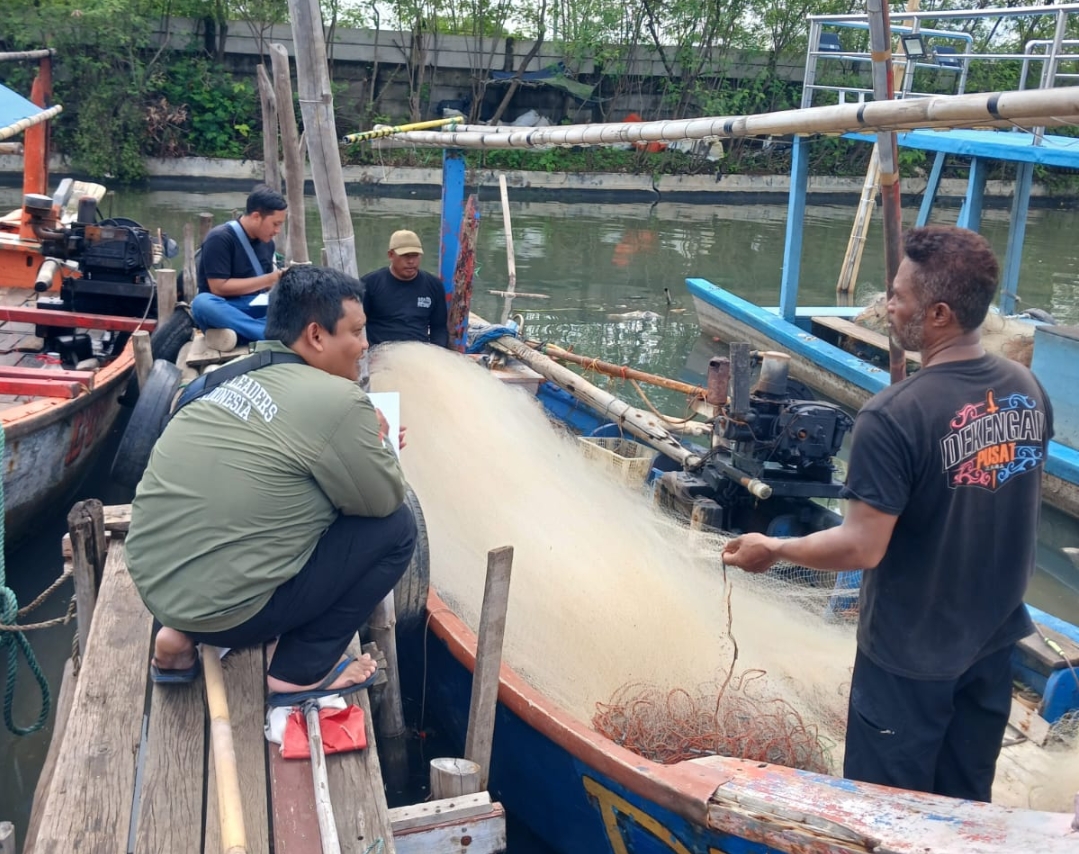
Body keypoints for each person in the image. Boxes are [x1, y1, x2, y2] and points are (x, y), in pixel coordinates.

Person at [721, 225, 1052, 802]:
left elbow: (860, 546)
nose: (888, 305)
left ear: (940, 314)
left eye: (899, 295)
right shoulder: (1026, 389)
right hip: (993, 645)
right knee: (964, 807)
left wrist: (773, 548)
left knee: (883, 813)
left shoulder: (892, 415)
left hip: (908, 661)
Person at [126, 265, 417, 706]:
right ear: (316, 335)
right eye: (357, 332)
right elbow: (383, 499)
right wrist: (377, 444)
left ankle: (179, 636)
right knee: (397, 529)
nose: (364, 345)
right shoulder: (339, 400)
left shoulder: (224, 375)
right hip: (230, 614)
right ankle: (299, 672)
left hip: (153, 583)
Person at [190, 185, 288, 351]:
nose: (277, 231)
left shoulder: (268, 244)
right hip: (224, 309)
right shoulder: (219, 238)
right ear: (256, 216)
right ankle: (269, 334)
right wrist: (270, 279)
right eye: (275, 224)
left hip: (252, 307)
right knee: (201, 303)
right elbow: (218, 287)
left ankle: (238, 334)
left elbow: (264, 289)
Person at [361, 230, 450, 348]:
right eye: (405, 256)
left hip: (418, 350)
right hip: (380, 350)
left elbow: (439, 327)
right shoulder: (369, 284)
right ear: (390, 255)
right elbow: (356, 325)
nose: (411, 261)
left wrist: (437, 351)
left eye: (415, 256)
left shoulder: (434, 285)